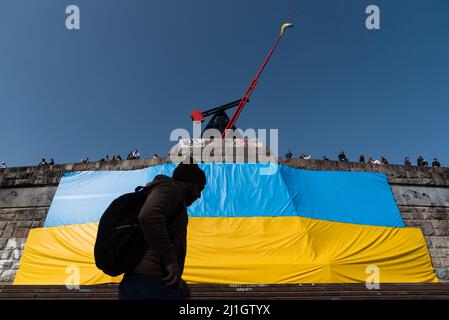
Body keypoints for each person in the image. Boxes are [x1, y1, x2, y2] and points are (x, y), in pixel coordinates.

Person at [118, 159, 206, 300]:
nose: (199, 195)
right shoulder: (171, 188)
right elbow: (149, 216)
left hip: (148, 281)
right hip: (151, 284)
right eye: (200, 188)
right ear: (190, 184)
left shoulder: (167, 192)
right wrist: (170, 262)